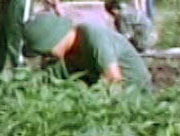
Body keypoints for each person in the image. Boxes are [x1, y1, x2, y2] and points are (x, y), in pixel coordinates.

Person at [23, 12, 152, 92]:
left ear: (55, 39)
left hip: (134, 96)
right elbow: (48, 86)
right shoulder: (60, 58)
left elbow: (114, 81)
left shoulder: (93, 36)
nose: (45, 57)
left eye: (45, 52)